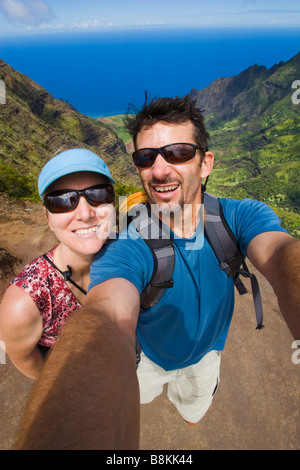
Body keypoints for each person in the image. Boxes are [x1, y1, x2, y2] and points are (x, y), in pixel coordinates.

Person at [15, 96, 300, 450]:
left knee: (192, 411)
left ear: (205, 162)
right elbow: (107, 312)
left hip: (207, 354)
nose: (160, 169)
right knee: (140, 399)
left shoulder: (239, 217)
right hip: (148, 358)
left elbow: (281, 252)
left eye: (178, 152)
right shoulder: (126, 243)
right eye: (146, 157)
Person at [0, 148, 115, 380]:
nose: (84, 213)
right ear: (47, 218)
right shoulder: (24, 304)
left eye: (99, 194)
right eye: (63, 201)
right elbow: (22, 357)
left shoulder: (128, 253)